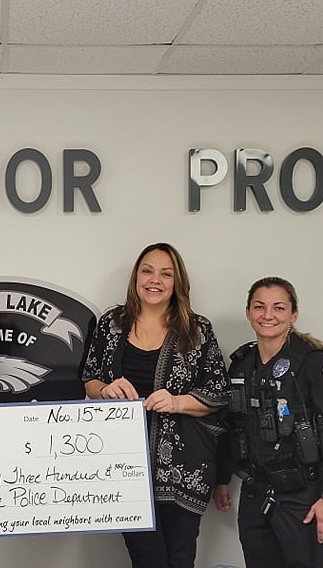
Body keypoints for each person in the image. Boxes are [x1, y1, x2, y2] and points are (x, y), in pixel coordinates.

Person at [80, 243, 229, 568]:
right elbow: (90, 378)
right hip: (123, 466)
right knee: (146, 558)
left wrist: (177, 402)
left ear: (177, 282)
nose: (155, 280)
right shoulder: (111, 323)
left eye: (166, 273)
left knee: (178, 557)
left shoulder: (197, 329)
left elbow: (218, 392)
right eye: (147, 270)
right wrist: (106, 390)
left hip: (183, 467)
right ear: (136, 276)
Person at [214, 276, 323, 568]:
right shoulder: (242, 366)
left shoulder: (313, 364)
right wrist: (222, 478)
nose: (267, 315)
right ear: (248, 312)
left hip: (306, 499)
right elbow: (233, 426)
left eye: (278, 308)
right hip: (256, 496)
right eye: (259, 307)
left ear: (293, 314)